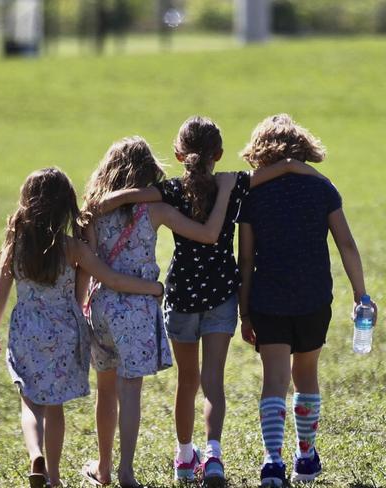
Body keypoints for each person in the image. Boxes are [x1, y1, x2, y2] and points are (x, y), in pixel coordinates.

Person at [93, 116, 327, 485]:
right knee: (213, 381)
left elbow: (131, 196)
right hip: (221, 293)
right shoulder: (231, 183)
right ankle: (214, 455)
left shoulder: (170, 189)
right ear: (218, 153)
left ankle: (185, 458)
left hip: (182, 295)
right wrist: (308, 172)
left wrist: (104, 201)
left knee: (187, 382)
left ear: (177, 152)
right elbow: (283, 168)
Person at [0, 168, 163, 488]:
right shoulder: (74, 248)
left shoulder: (17, 243)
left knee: (30, 403)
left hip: (27, 331)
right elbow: (112, 279)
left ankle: (35, 455)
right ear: (66, 206)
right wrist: (153, 288)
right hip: (65, 331)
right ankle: (53, 478)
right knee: (55, 407)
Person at [78, 136, 237, 488]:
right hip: (135, 311)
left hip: (100, 306)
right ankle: (126, 472)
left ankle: (103, 467)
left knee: (106, 391)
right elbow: (208, 234)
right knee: (130, 391)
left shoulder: (92, 211)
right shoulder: (156, 211)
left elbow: (86, 265)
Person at [237, 114, 377, 487]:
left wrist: (244, 310)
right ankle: (305, 456)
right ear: (303, 149)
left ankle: (271, 462)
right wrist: (361, 294)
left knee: (274, 380)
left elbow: (246, 258)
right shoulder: (323, 189)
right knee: (306, 376)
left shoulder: (253, 194)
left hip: (267, 298)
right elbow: (346, 244)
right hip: (314, 296)